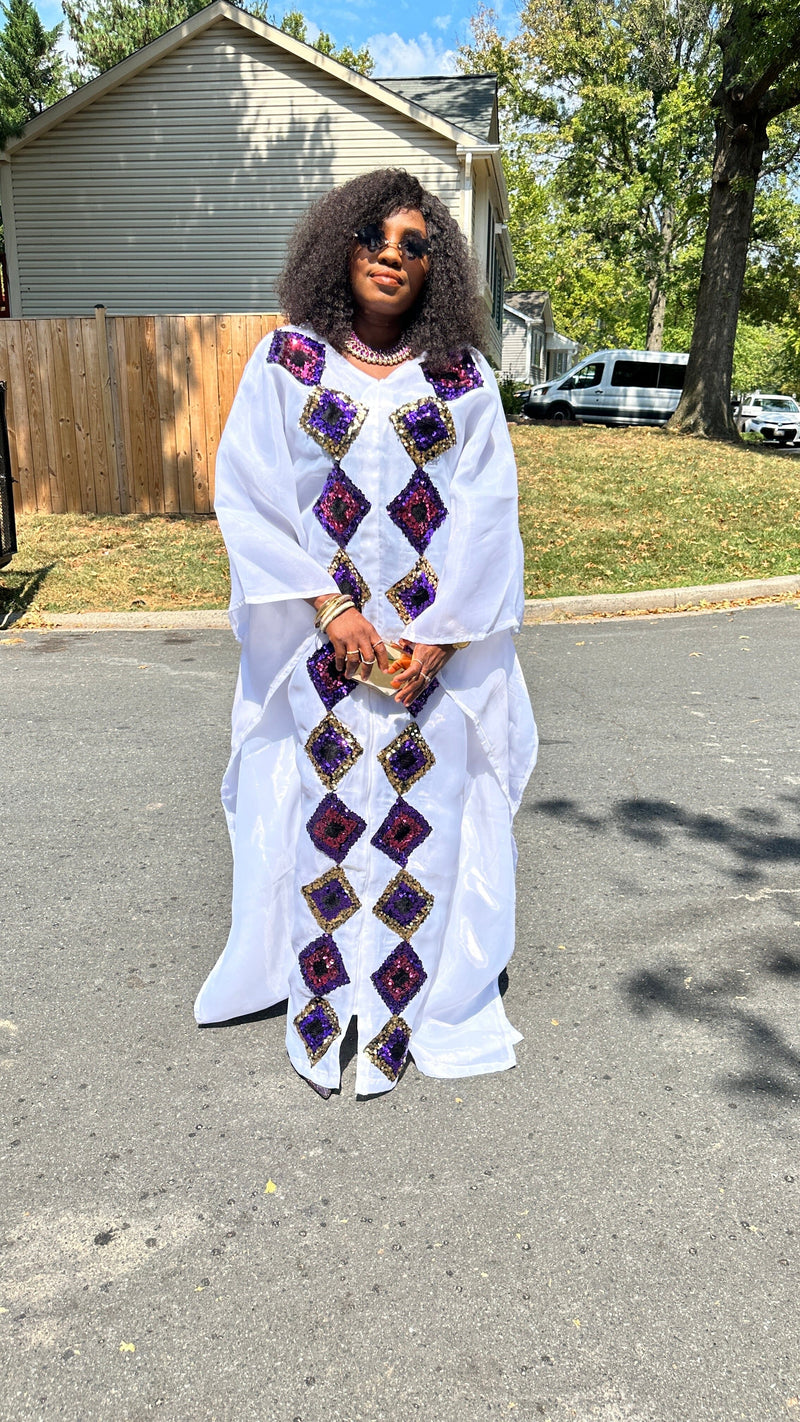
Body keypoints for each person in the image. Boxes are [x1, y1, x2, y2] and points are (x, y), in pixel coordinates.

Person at [194, 168, 537, 1097]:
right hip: (325, 653)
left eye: (414, 245)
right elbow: (254, 497)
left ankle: (402, 1017)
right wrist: (331, 607)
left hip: (430, 657)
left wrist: (447, 634)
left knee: (422, 825)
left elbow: (488, 514)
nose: (392, 256)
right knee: (331, 820)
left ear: (437, 267)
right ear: (340, 248)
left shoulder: (464, 380)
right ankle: (323, 1009)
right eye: (375, 239)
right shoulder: (288, 363)